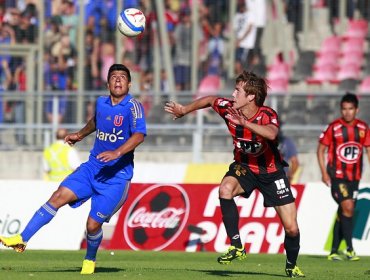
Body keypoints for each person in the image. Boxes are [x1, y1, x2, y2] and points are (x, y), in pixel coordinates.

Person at [0, 64, 147, 275]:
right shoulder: (101, 102)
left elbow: (139, 135)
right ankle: (22, 239)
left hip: (116, 178)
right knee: (58, 196)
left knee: (93, 225)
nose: (118, 80)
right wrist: (80, 134)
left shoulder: (133, 106)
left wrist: (117, 153)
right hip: (93, 168)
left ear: (129, 83)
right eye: (114, 77)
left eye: (122, 77)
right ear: (107, 84)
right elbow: (96, 121)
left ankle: (90, 259)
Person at [164, 70, 305, 278]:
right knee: (225, 189)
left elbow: (272, 133)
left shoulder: (267, 114)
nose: (233, 94)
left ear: (251, 96)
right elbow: (211, 100)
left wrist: (246, 124)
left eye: (238, 90)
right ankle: (237, 245)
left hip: (272, 173)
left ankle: (291, 265)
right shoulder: (228, 108)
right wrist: (184, 109)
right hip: (245, 167)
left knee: (292, 229)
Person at [317, 92, 370, 261]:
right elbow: (320, 150)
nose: (347, 112)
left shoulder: (363, 128)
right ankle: (349, 249)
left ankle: (333, 250)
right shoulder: (334, 127)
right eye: (344, 109)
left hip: (354, 178)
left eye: (351, 109)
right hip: (336, 176)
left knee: (345, 211)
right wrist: (324, 173)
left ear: (357, 109)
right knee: (348, 207)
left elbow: (368, 149)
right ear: (341, 109)